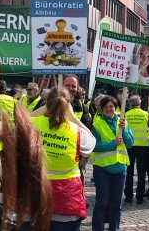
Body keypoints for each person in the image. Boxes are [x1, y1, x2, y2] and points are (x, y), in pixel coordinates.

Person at [31, 86, 96, 231]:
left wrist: (42, 110)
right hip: (68, 199)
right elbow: (92, 141)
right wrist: (73, 118)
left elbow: (19, 124)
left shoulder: (34, 124)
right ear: (69, 105)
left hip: (37, 195)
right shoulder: (76, 131)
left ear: (47, 103)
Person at [92, 95, 134, 231]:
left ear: (115, 107)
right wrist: (112, 144)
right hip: (103, 168)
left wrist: (125, 131)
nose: (109, 109)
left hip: (120, 168)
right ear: (102, 109)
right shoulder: (97, 124)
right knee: (101, 204)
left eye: (111, 106)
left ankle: (114, 228)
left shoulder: (123, 122)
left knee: (117, 204)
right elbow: (94, 146)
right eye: (106, 107)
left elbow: (130, 143)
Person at [124, 95, 149, 204]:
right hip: (143, 145)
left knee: (129, 172)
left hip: (129, 145)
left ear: (130, 104)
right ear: (140, 103)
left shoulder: (126, 115)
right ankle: (140, 197)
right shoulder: (146, 114)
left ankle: (128, 196)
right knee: (141, 172)